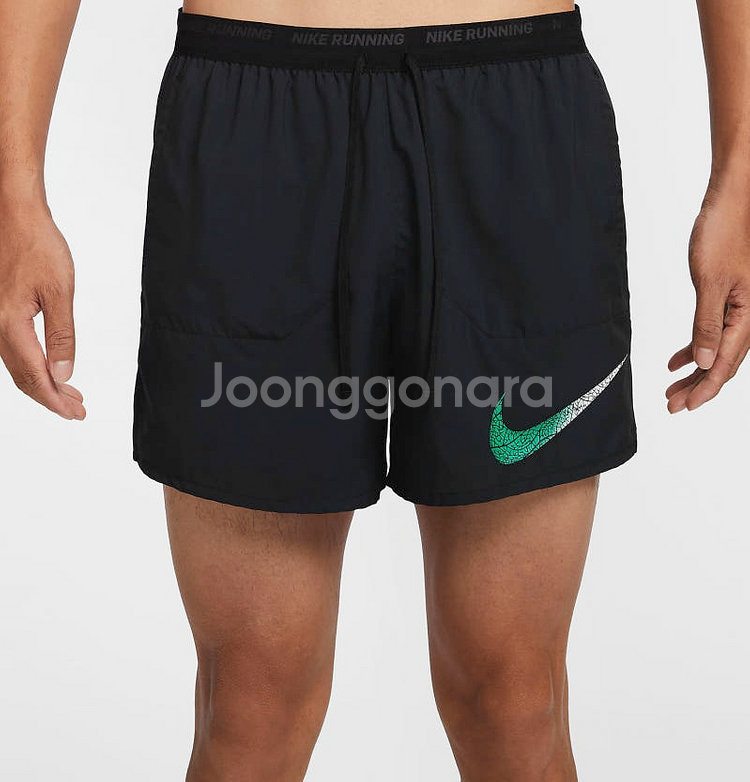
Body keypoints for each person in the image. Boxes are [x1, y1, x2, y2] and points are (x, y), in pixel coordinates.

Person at [1, 0, 748, 780]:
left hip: (511, 126)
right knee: (251, 704)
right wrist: (13, 194)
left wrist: (740, 178)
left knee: (513, 700)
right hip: (255, 133)